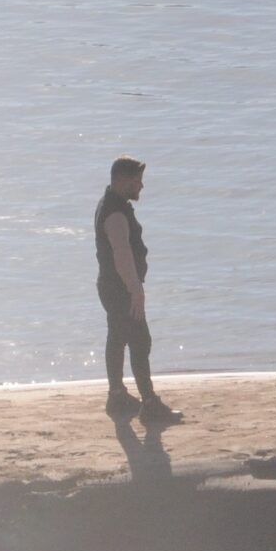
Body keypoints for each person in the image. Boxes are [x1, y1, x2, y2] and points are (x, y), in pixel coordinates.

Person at [97, 156, 179, 425]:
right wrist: (136, 290)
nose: (141, 186)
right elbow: (122, 254)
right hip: (121, 288)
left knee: (118, 338)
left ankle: (117, 395)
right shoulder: (116, 213)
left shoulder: (110, 204)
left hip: (111, 286)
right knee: (140, 341)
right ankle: (150, 403)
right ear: (122, 180)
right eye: (137, 181)